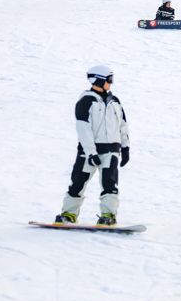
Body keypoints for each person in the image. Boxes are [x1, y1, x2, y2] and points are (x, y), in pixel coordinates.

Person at [53, 66, 130, 227]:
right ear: (98, 80)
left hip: (111, 151)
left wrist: (125, 147)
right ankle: (68, 214)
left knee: (110, 183)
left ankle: (108, 216)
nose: (112, 83)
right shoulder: (86, 101)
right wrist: (90, 152)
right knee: (78, 182)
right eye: (109, 79)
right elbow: (83, 129)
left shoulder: (115, 101)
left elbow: (123, 124)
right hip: (89, 152)